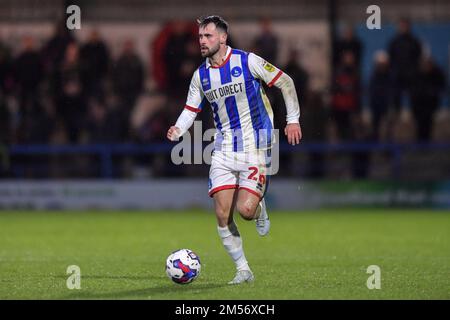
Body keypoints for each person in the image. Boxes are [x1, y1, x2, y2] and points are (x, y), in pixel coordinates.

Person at [166, 16, 302, 284]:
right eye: (200, 37)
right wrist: (178, 129)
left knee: (246, 212)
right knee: (221, 214)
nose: (202, 41)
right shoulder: (200, 76)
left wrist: (293, 119)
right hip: (224, 148)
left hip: (256, 144)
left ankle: (259, 206)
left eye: (208, 36)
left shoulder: (247, 61)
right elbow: (191, 109)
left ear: (223, 38)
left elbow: (285, 81)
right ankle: (243, 269)